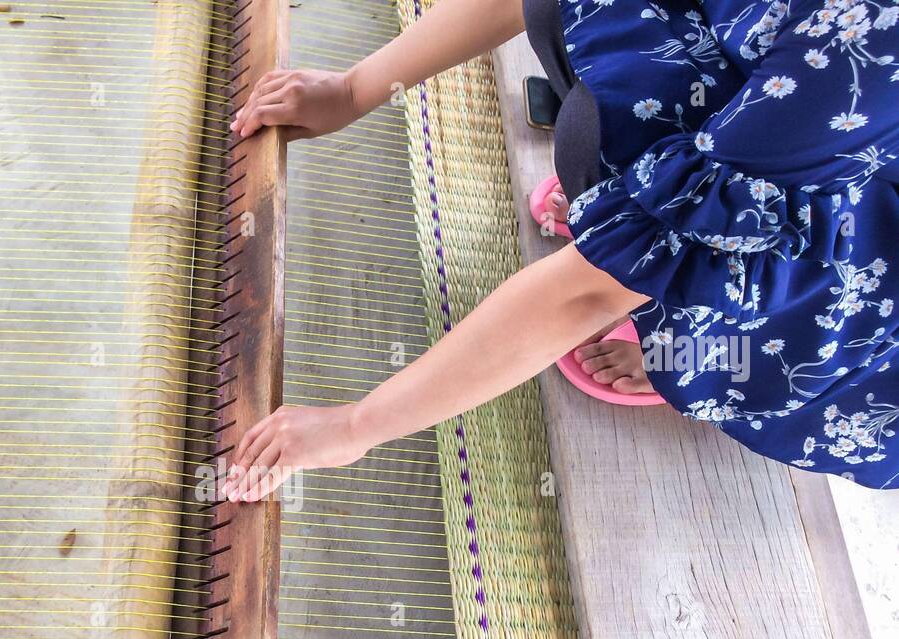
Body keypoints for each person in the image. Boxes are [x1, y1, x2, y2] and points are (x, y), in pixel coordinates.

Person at [222, 0, 899, 499]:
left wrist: (355, 426)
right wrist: (352, 90)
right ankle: (660, 205)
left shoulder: (862, 46)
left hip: (859, 272)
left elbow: (586, 292)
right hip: (800, 106)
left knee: (592, 143)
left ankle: (703, 331)